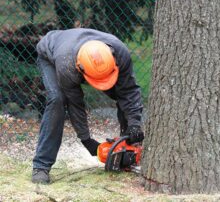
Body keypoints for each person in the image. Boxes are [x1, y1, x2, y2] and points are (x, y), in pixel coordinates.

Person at [32, 28, 144, 184]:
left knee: (123, 93)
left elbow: (129, 91)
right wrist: (86, 140)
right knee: (57, 100)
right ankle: (41, 166)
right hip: (52, 55)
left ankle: (128, 148)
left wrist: (134, 125)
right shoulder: (67, 67)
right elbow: (75, 104)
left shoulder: (119, 52)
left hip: (79, 52)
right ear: (80, 69)